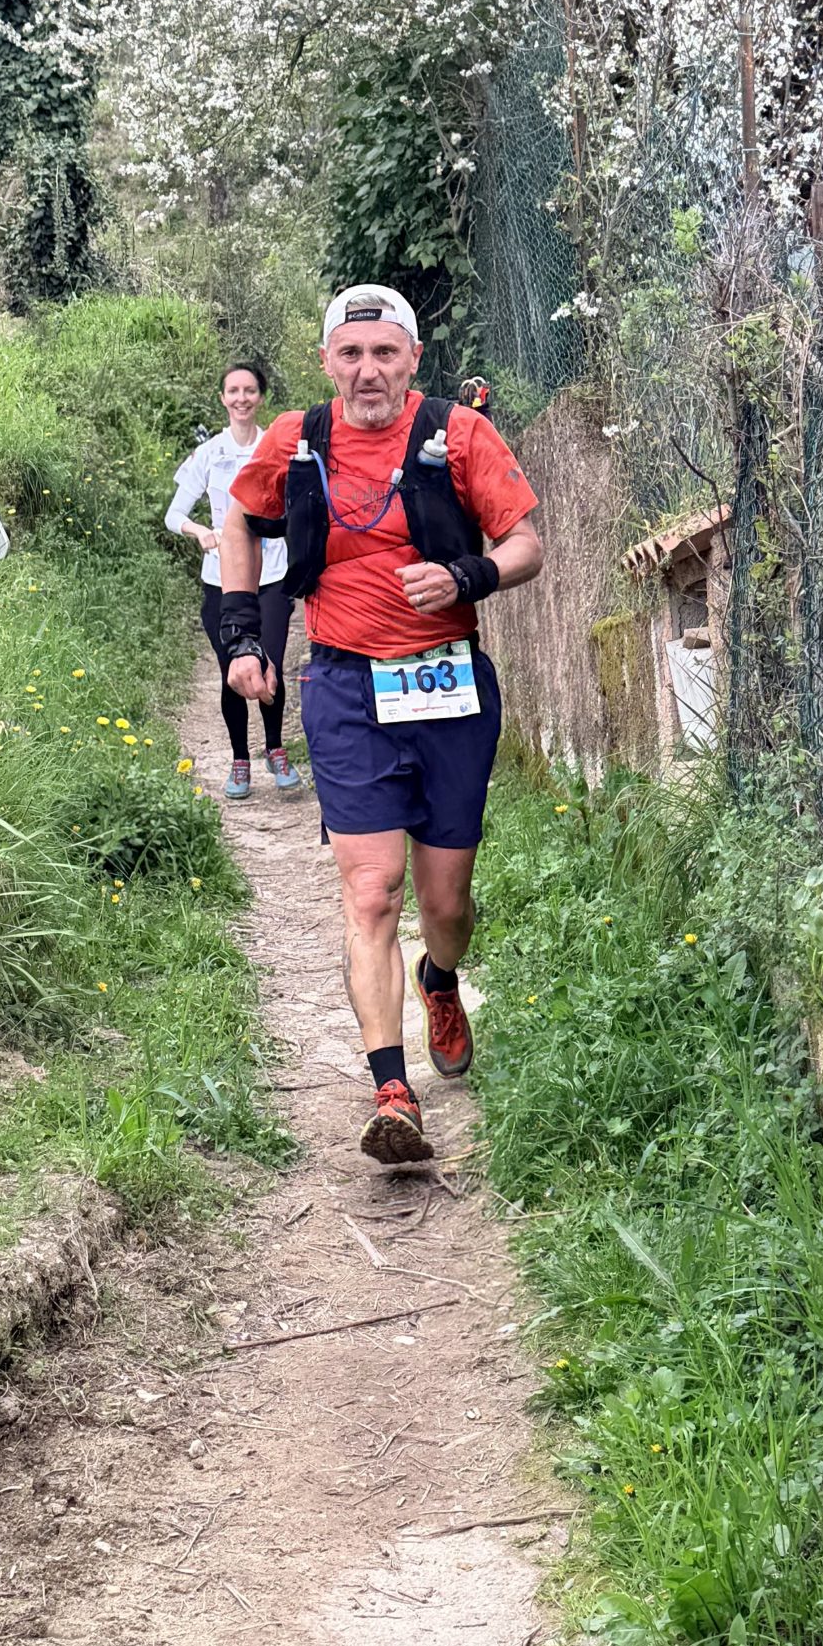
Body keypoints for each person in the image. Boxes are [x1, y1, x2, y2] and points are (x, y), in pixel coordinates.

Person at [218, 286, 543, 1165]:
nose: (368, 371)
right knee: (372, 893)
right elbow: (240, 518)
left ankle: (441, 977)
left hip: (447, 686)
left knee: (445, 904)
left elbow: (525, 544)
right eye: (352, 355)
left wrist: (469, 576)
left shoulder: (458, 434)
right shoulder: (298, 439)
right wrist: (243, 633)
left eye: (385, 354)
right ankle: (392, 1093)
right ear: (328, 361)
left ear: (412, 360)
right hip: (346, 689)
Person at [165, 360, 303, 799]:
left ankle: (276, 749)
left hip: (274, 575)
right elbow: (174, 514)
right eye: (233, 391)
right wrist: (200, 532)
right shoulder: (209, 454)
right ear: (223, 398)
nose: (242, 398)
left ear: (261, 397)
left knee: (269, 663)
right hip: (220, 580)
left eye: (249, 390)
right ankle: (240, 761)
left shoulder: (278, 448)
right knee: (233, 670)